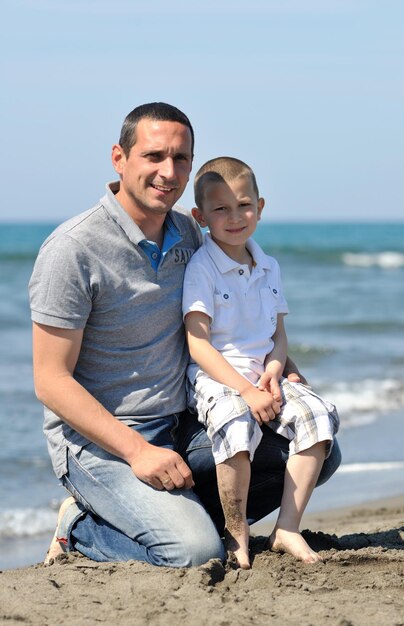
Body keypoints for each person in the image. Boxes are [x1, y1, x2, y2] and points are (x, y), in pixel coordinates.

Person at [29, 103, 341, 568]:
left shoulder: (191, 234)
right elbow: (50, 381)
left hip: (184, 423)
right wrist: (138, 452)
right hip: (105, 442)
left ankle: (176, 515)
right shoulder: (72, 250)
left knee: (318, 450)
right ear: (119, 158)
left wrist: (285, 371)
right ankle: (80, 527)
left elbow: (240, 314)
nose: (167, 172)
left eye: (180, 159)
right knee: (193, 551)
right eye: (154, 156)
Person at [182, 157, 340, 568]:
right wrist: (247, 390)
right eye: (221, 209)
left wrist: (274, 368)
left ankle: (287, 527)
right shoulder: (203, 268)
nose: (235, 218)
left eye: (244, 205)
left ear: (261, 206)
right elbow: (198, 345)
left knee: (317, 415)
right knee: (236, 423)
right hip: (217, 378)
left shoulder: (269, 266)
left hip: (264, 375)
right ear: (201, 217)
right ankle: (237, 537)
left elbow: (278, 333)